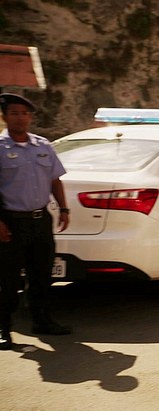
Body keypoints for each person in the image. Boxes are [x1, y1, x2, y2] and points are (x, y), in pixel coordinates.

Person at [0, 93, 72, 350]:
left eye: (25, 113)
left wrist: (63, 208)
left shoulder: (43, 146)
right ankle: (3, 328)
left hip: (40, 220)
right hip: (11, 222)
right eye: (14, 113)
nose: (20, 118)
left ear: (30, 117)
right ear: (5, 117)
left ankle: (42, 321)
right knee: (7, 279)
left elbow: (55, 180)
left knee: (41, 274)